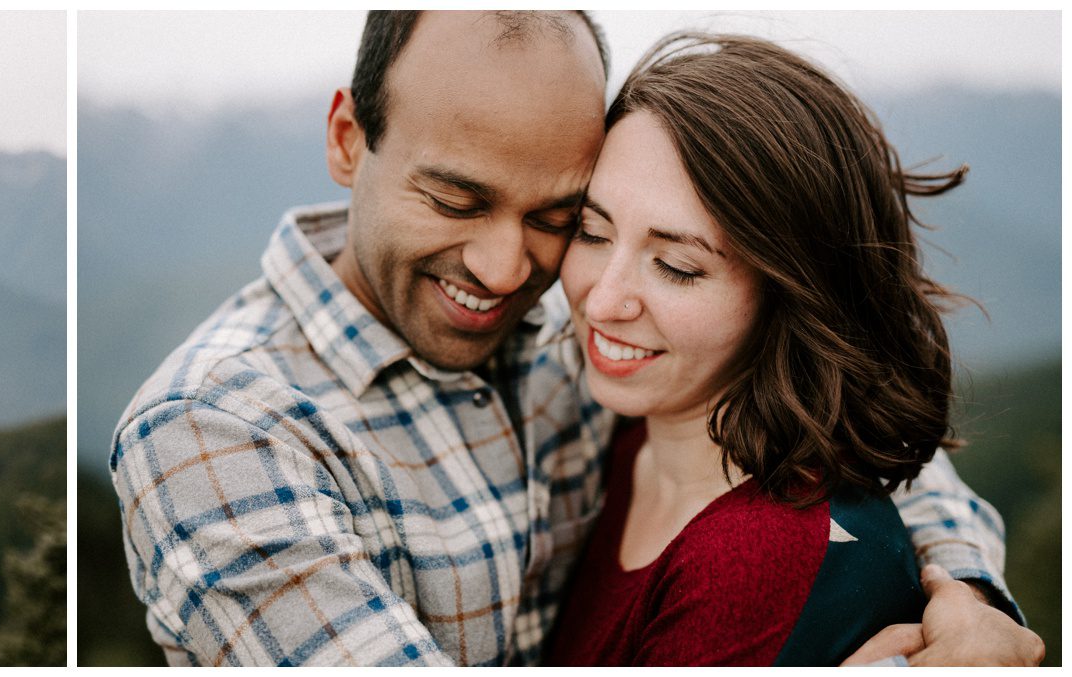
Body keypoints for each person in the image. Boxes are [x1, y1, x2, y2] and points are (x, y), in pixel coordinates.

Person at [110, 10, 1038, 666]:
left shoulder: (569, 353)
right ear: (350, 138)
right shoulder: (219, 430)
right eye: (455, 199)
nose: (512, 269)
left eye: (559, 215)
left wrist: (966, 599)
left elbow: (847, 448)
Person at [543, 32, 1037, 666]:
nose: (602, 300)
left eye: (676, 266)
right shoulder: (626, 423)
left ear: (791, 291)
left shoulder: (748, 558)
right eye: (591, 230)